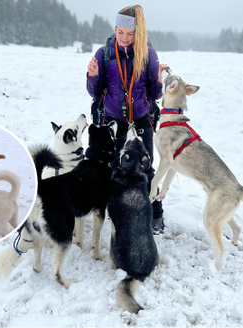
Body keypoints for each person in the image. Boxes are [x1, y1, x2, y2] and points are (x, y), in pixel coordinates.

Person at [86, 4, 169, 234]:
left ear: (138, 33)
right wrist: (92, 77)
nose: (124, 38)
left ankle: (156, 213)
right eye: (120, 32)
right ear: (115, 28)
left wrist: (160, 83)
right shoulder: (104, 54)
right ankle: (116, 212)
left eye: (129, 33)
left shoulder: (148, 55)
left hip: (142, 118)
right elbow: (95, 92)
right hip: (114, 120)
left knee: (146, 166)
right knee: (114, 166)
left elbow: (154, 94)